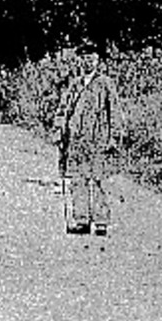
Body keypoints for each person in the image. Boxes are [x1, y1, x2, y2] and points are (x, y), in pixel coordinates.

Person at [59, 49, 116, 236]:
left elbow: (114, 110)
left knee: (98, 179)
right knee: (78, 179)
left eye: (92, 58)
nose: (88, 62)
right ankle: (81, 220)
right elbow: (64, 110)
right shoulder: (75, 84)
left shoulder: (105, 83)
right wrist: (60, 132)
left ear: (98, 61)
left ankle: (101, 222)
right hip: (77, 139)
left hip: (98, 138)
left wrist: (114, 136)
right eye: (85, 58)